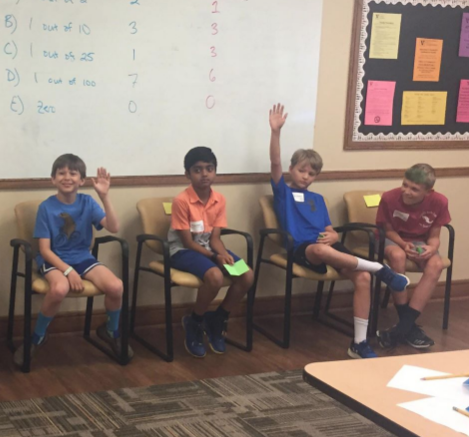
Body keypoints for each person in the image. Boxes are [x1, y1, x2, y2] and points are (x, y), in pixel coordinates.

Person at [269, 103, 409, 358]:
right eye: (301, 170)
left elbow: (328, 228)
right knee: (320, 250)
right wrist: (276, 132)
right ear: (291, 170)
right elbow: (275, 161)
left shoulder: (317, 199)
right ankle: (379, 268)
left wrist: (334, 234)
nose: (306, 176)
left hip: (329, 246)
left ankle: (359, 343)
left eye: (312, 173)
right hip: (304, 249)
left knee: (362, 278)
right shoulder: (283, 193)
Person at [13, 154, 132, 367]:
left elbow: (114, 227)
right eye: (61, 173)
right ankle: (38, 336)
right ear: (53, 179)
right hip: (54, 259)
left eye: (73, 173)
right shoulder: (46, 207)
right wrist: (68, 271)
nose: (67, 177)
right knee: (59, 288)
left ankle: (111, 331)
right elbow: (44, 250)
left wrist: (104, 196)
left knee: (116, 286)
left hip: (82, 257)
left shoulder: (88, 202)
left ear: (82, 180)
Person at [169, 146, 255, 358]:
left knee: (246, 275)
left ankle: (218, 318)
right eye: (197, 170)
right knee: (215, 276)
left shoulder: (219, 199)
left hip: (209, 249)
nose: (204, 174)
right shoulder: (181, 201)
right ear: (187, 174)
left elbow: (215, 239)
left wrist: (223, 254)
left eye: (209, 168)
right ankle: (195, 321)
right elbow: (188, 243)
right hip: (182, 251)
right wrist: (216, 258)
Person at [377, 163, 451, 350]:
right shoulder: (389, 197)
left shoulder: (440, 202)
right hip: (393, 239)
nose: (407, 191)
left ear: (428, 192)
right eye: (405, 185)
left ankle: (402, 328)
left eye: (414, 189)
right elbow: (388, 230)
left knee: (436, 264)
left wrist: (431, 249)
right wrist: (403, 245)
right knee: (398, 256)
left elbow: (434, 236)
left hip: (420, 241)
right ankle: (407, 326)